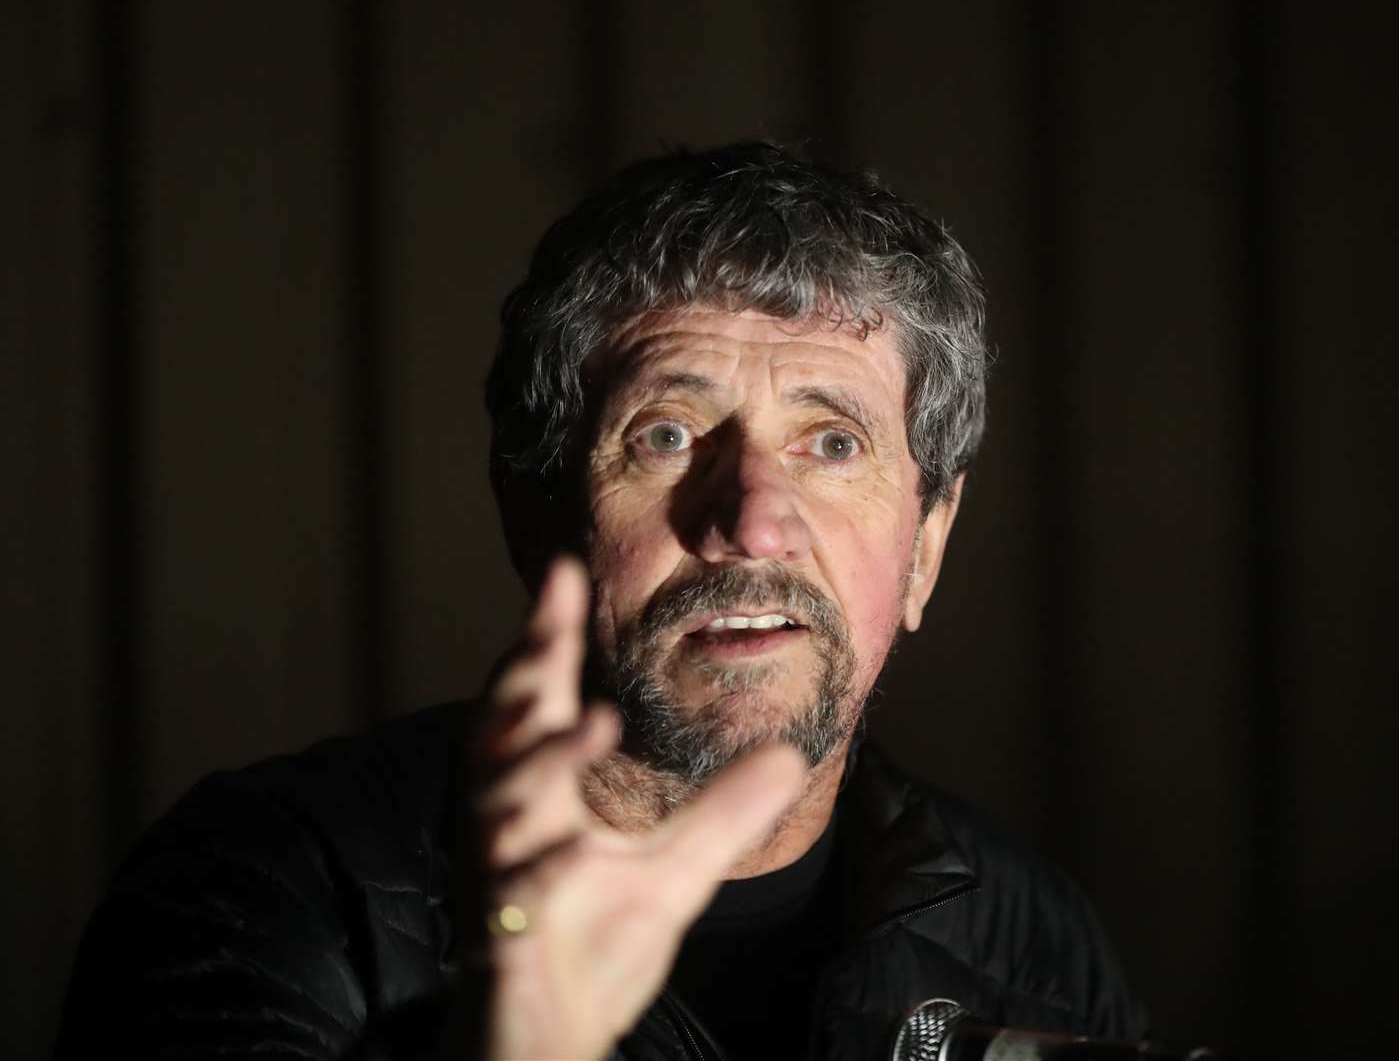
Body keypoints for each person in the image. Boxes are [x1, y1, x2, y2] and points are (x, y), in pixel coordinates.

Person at [56, 141, 1145, 1059]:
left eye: (831, 442)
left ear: (926, 551)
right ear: (534, 516)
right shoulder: (270, 887)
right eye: (667, 435)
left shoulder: (1026, 937)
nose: (754, 521)